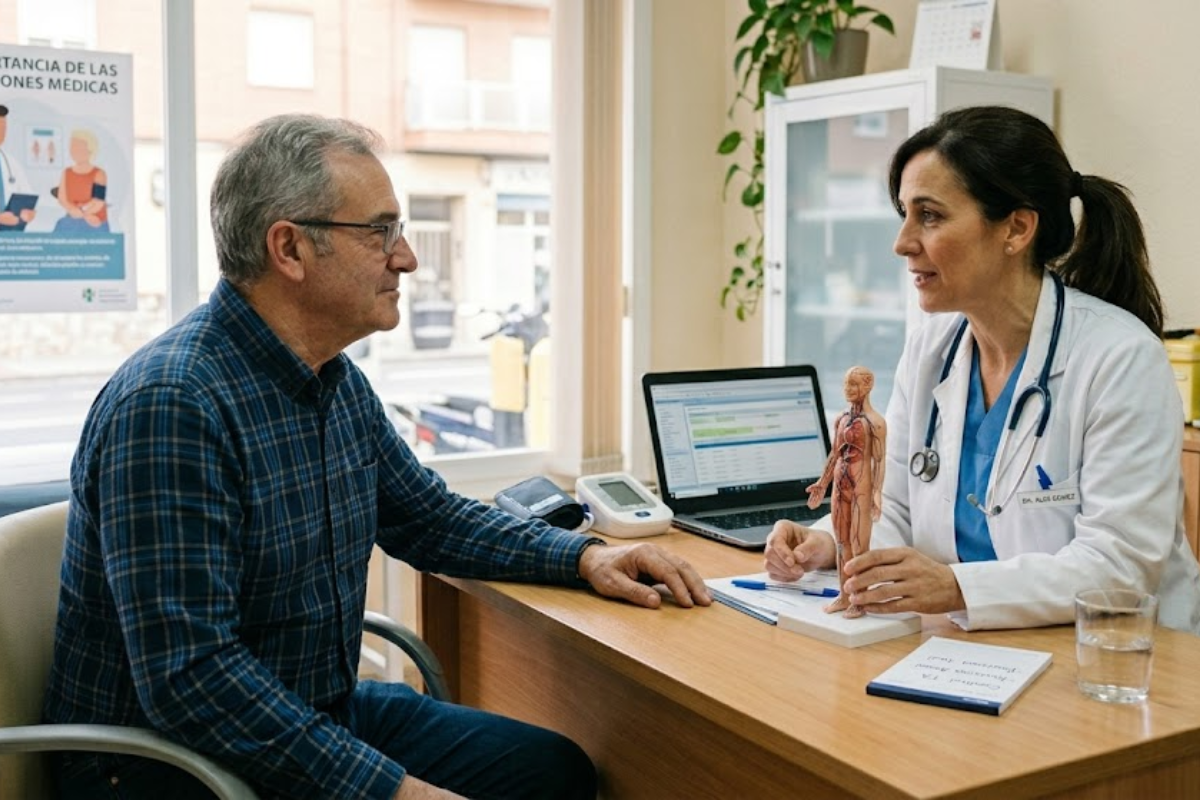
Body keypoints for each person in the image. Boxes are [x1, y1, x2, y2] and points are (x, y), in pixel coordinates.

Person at [44, 113, 712, 800]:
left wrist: (583, 557)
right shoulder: (173, 404)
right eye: (381, 232)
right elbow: (194, 679)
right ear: (289, 249)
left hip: (309, 708)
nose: (407, 258)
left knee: (552, 770)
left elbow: (427, 518)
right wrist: (396, 792)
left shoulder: (333, 380)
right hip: (169, 765)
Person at [765, 105, 1200, 634]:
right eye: (904, 214)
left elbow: (1119, 567)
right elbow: (896, 509)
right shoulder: (932, 350)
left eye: (930, 216)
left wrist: (957, 587)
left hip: (1116, 652)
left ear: (1016, 228)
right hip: (974, 643)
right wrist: (830, 542)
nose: (902, 242)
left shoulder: (1120, 358)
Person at [804, 366, 885, 618]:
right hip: (840, 485)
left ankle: (859, 600)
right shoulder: (840, 419)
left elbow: (879, 461)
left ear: (868, 385)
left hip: (861, 488)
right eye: (846, 384)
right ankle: (844, 595)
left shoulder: (875, 423)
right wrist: (822, 483)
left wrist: (877, 492)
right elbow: (835, 453)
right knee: (841, 543)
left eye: (854, 384)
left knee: (859, 544)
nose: (848, 389)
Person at [54, 128, 109, 233]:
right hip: (72, 218)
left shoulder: (99, 174)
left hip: (95, 219)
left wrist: (85, 214)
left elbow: (98, 201)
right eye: (72, 146)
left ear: (90, 149)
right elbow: (62, 198)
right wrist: (73, 210)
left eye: (78, 147)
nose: (74, 150)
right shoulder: (66, 173)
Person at [0, 103, 37, 229]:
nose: (1, 133)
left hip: (9, 236)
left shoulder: (11, 163)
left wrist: (29, 213)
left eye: (4, 128)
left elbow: (27, 196)